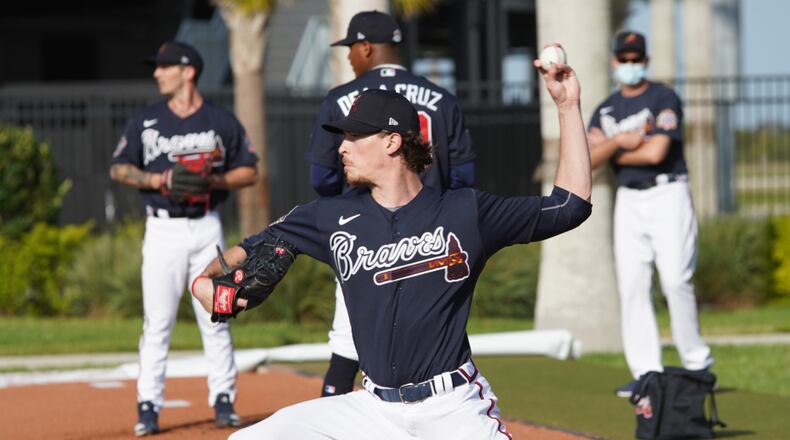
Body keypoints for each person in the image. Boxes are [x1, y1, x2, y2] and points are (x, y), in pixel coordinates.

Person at [192, 48, 591, 439]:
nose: (342, 147)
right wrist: (205, 281)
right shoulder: (330, 217)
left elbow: (569, 206)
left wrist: (567, 107)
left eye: (353, 135)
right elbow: (254, 244)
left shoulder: (464, 211)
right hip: (371, 410)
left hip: (451, 407)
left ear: (392, 142)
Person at [307, 10, 477, 398]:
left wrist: (348, 211)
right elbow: (465, 176)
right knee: (435, 339)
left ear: (366, 48)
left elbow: (322, 178)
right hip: (434, 231)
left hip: (366, 229)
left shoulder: (340, 100)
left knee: (349, 340)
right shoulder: (442, 97)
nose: (350, 56)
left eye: (351, 48)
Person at [109, 41, 258, 436]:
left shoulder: (220, 121)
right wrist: (158, 179)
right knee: (157, 322)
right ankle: (148, 406)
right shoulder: (146, 121)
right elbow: (119, 168)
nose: (157, 73)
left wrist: (214, 180)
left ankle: (224, 399)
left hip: (206, 225)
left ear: (188, 71)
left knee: (216, 314)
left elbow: (250, 171)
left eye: (165, 67)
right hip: (162, 228)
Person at [586, 31, 714, 398]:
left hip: (667, 191)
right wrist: (618, 143)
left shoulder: (663, 97)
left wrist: (611, 150)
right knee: (632, 285)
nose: (629, 65)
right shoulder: (607, 108)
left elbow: (656, 152)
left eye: (635, 59)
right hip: (628, 198)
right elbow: (587, 159)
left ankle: (696, 364)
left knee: (675, 278)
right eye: (623, 59)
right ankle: (646, 374)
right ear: (614, 62)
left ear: (646, 60)